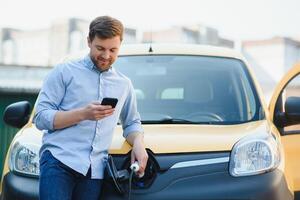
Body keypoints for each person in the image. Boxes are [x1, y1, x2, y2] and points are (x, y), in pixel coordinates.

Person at [34, 16, 148, 200]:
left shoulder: (124, 84)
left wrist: (139, 144)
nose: (106, 56)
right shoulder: (64, 72)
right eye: (100, 48)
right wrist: (83, 114)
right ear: (89, 41)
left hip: (94, 171)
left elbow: (132, 124)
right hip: (59, 161)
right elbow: (40, 117)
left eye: (113, 50)